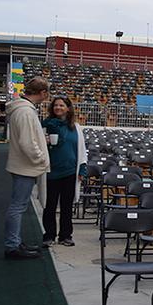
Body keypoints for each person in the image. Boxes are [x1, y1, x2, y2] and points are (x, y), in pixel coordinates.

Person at [4, 77, 50, 259]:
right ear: (42, 92)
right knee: (18, 206)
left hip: (24, 165)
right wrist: (40, 158)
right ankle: (12, 245)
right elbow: (26, 142)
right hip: (25, 166)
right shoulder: (24, 111)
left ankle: (15, 241)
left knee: (18, 206)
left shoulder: (24, 109)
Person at [41, 97, 87, 247]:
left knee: (67, 207)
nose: (58, 107)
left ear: (68, 108)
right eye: (55, 105)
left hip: (70, 172)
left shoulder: (76, 128)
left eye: (61, 105)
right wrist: (44, 142)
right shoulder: (45, 125)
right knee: (50, 206)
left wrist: (82, 168)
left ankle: (65, 235)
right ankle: (49, 235)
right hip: (51, 172)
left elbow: (81, 150)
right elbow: (37, 146)